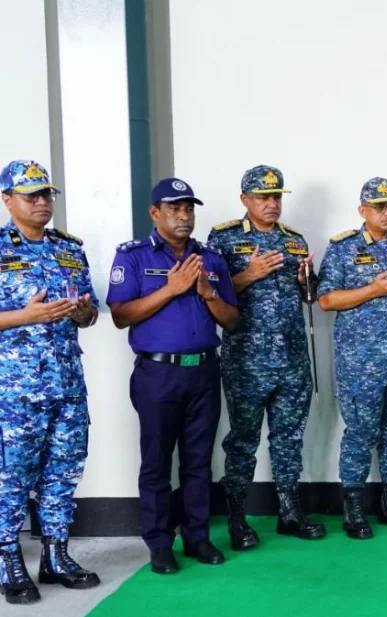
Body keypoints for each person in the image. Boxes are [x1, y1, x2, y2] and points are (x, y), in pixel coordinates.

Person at [106, 178, 239, 574]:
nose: (184, 216)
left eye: (189, 209)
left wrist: (209, 295)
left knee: (199, 462)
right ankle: (160, 543)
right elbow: (120, 316)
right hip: (158, 373)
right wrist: (171, 288)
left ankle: (197, 536)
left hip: (203, 372)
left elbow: (233, 320)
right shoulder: (131, 256)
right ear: (155, 213)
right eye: (175, 209)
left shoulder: (211, 259)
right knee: (157, 461)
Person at [206, 165, 324, 551]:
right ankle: (237, 518)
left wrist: (308, 281)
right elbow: (211, 294)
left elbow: (310, 297)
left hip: (293, 358)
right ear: (245, 200)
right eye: (262, 197)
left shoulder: (295, 241)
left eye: (276, 197)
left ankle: (289, 512)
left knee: (289, 437)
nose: (271, 204)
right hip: (246, 358)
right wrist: (249, 274)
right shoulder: (223, 239)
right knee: (242, 440)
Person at [0, 161, 100, 604]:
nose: (42, 202)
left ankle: (56, 556)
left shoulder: (69, 249)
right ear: (7, 200)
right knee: (13, 477)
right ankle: (9, 559)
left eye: (46, 195)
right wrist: (25, 315)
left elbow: (92, 312)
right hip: (16, 392)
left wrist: (82, 314)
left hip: (67, 384)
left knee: (63, 471)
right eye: (31, 195)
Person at [318, 177, 387, 539]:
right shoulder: (343, 248)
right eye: (380, 206)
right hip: (361, 360)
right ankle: (353, 507)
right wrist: (373, 289)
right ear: (362, 210)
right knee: (361, 432)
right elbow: (327, 300)